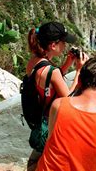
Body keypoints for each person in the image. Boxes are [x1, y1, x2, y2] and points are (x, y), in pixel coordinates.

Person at [26, 21, 89, 152]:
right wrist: (79, 71)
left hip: (38, 116)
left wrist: (67, 63)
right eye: (63, 42)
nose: (65, 45)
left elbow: (49, 79)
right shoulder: (52, 71)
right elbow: (68, 99)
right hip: (50, 122)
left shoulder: (34, 61)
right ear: (53, 45)